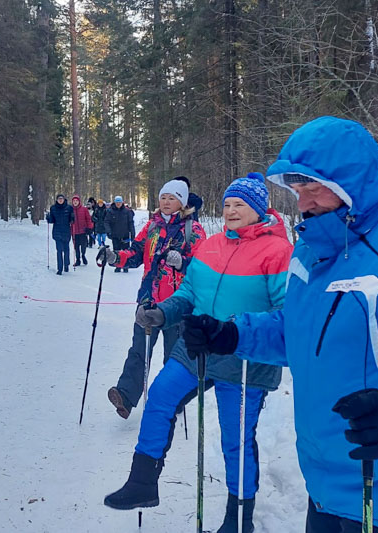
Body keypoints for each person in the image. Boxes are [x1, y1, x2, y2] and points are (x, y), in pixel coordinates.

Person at [183, 117, 378, 533]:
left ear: (352, 180)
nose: (304, 202)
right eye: (297, 190)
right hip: (326, 487)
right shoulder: (311, 249)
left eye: (313, 187)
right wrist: (233, 333)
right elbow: (298, 330)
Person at [102, 173, 292, 533]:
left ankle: (238, 521)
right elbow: (188, 293)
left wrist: (238, 330)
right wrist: (163, 310)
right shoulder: (213, 245)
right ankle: (142, 482)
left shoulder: (278, 251)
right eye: (227, 205)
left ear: (257, 210)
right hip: (200, 347)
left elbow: (288, 315)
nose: (231, 210)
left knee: (235, 440)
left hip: (246, 358)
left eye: (240, 205)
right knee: (159, 395)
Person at [102, 178, 206, 419]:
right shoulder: (151, 227)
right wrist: (114, 257)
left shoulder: (194, 230)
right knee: (139, 350)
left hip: (178, 304)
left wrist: (181, 263)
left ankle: (173, 399)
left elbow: (203, 268)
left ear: (182, 202)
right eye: (163, 197)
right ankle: (125, 397)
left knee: (173, 356)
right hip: (149, 300)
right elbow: (136, 253)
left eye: (172, 198)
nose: (167, 202)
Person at [105, 195, 136, 272]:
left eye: (119, 202)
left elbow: (131, 223)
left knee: (125, 251)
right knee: (116, 251)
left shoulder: (127, 211)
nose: (118, 204)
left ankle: (125, 266)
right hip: (115, 235)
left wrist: (132, 234)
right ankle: (118, 265)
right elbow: (106, 222)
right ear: (115, 203)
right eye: (117, 202)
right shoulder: (110, 211)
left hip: (125, 235)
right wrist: (108, 231)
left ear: (122, 203)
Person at [46, 194, 75, 275]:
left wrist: (73, 217)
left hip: (66, 231)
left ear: (64, 199)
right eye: (59, 199)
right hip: (57, 231)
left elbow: (72, 221)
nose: (60, 200)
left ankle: (66, 265)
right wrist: (48, 218)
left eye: (62, 199)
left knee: (66, 249)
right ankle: (60, 268)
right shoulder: (53, 208)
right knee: (59, 250)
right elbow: (52, 220)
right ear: (57, 200)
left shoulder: (69, 208)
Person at [71, 195, 94, 266]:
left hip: (83, 231)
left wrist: (89, 227)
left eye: (76, 201)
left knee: (83, 246)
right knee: (76, 247)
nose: (75, 202)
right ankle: (78, 260)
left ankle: (83, 255)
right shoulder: (70, 210)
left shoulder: (84, 209)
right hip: (74, 231)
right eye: (74, 201)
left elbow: (88, 219)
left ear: (79, 201)